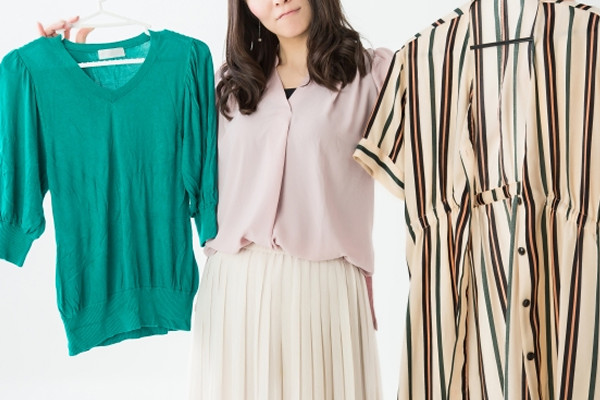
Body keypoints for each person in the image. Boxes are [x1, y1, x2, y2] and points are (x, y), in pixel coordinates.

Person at [38, 0, 393, 398]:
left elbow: (432, 148)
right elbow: (140, 148)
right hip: (235, 288)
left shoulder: (375, 75)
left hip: (325, 292)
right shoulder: (225, 86)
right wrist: (67, 70)